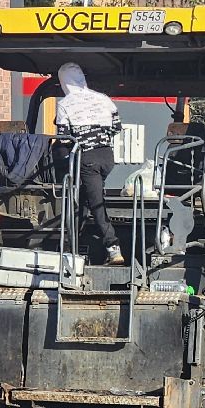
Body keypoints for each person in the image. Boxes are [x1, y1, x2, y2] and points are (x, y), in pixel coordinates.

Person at [54, 62, 124, 266]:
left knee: (96, 204)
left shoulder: (65, 104)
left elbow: (64, 138)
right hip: (106, 156)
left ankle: (113, 248)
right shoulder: (103, 98)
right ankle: (74, 246)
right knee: (84, 200)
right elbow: (116, 127)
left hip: (87, 158)